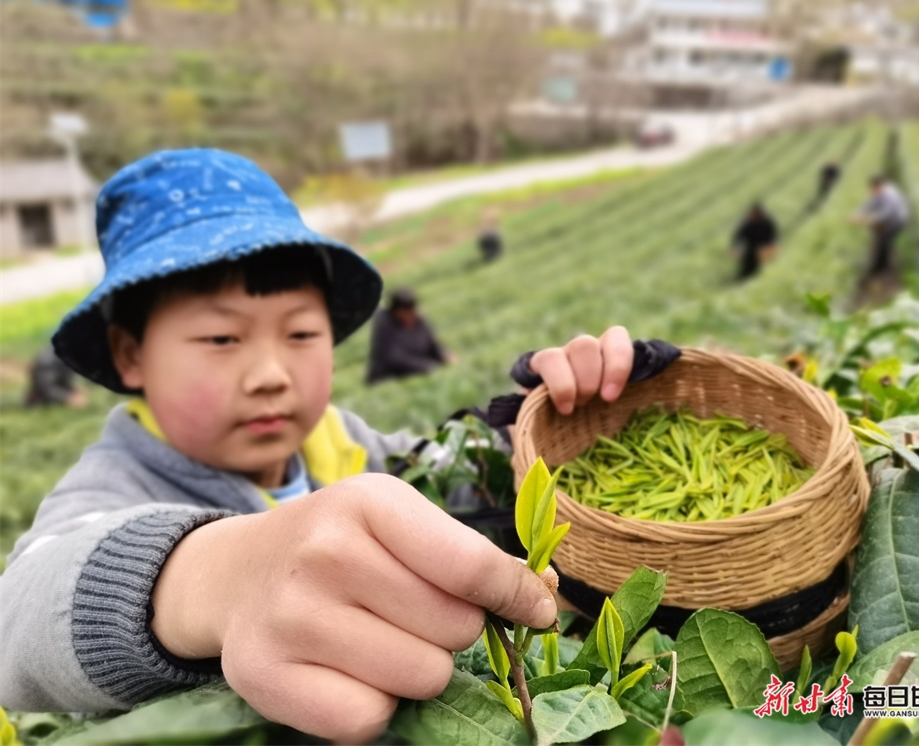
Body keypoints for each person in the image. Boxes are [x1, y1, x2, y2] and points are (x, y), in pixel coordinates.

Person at [0, 149, 661, 744]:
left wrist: (549, 422)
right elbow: (25, 610)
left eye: (300, 335)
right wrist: (219, 575)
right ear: (131, 353)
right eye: (221, 340)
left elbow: (462, 481)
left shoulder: (347, 445)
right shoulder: (113, 483)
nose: (270, 374)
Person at [366, 287, 450, 384]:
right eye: (406, 312)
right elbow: (394, 358)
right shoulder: (384, 323)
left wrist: (443, 356)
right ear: (397, 312)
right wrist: (428, 366)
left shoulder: (418, 319)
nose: (410, 315)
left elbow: (432, 344)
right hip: (390, 377)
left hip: (422, 370)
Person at [852, 175, 910, 281]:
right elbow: (870, 204)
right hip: (889, 220)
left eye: (873, 188)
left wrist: (867, 220)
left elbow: (886, 214)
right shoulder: (880, 192)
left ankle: (882, 268)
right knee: (879, 239)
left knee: (884, 241)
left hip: (897, 221)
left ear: (878, 185)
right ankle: (879, 265)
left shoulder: (890, 195)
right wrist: (857, 214)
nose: (871, 190)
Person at [22, 345, 87, 408]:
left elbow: (67, 379)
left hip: (53, 382)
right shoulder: (48, 361)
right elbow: (44, 387)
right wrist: (67, 398)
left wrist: (75, 388)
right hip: (45, 385)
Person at [731, 202, 779, 280]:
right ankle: (742, 278)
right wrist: (736, 248)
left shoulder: (767, 222)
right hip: (751, 246)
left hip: (763, 247)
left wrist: (772, 246)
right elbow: (738, 235)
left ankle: (751, 279)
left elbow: (773, 235)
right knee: (747, 265)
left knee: (758, 267)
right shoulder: (747, 222)